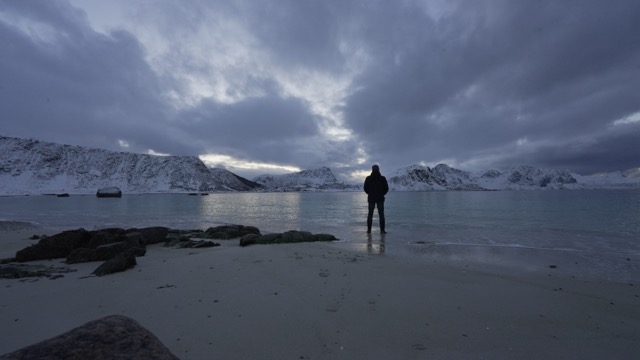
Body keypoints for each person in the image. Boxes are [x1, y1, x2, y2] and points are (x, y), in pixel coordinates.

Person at [363, 164, 389, 234]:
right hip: (380, 199)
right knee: (381, 215)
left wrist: (370, 193)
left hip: (371, 199)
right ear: (378, 169)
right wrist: (382, 194)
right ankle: (382, 231)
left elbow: (365, 189)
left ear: (372, 170)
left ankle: (369, 230)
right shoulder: (382, 178)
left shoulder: (368, 178)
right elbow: (386, 189)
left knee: (370, 215)